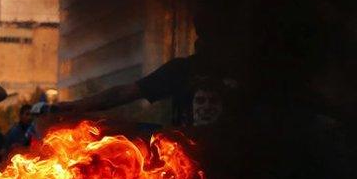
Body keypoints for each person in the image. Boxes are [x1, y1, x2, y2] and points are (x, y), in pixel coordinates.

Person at [53, 49, 237, 128]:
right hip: (188, 165)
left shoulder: (246, 71)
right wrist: (81, 105)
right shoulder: (182, 70)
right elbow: (125, 93)